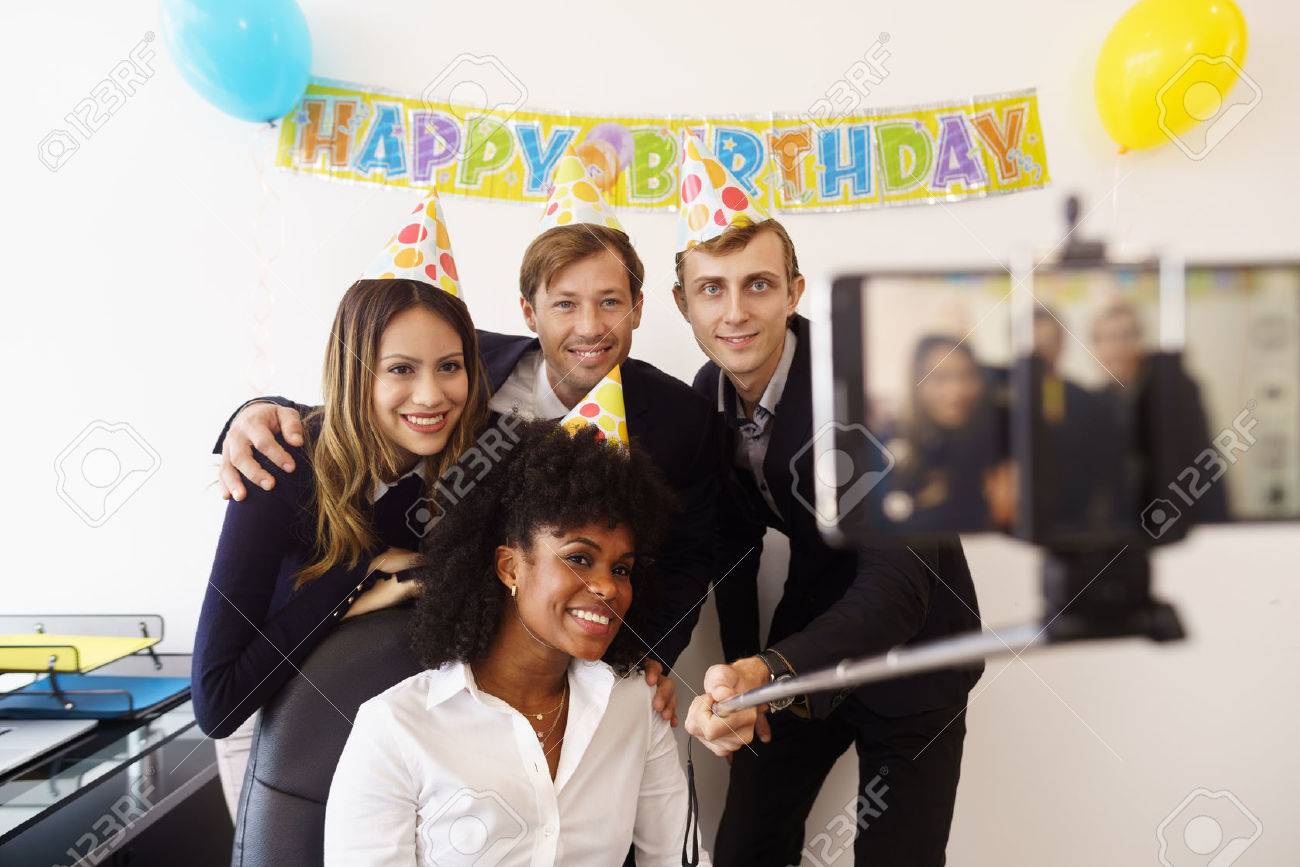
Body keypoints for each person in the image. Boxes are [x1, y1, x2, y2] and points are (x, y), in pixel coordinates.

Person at [213, 152, 718, 728]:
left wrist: (647, 655)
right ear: (529, 312)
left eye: (610, 301)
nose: (589, 327)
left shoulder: (681, 417)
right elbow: (354, 408)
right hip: (340, 682)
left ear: (637, 309)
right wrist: (253, 413)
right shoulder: (464, 371)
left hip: (530, 679)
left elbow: (692, 552)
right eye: (565, 304)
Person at [672, 134, 982, 866]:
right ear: (683, 302)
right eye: (712, 287)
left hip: (918, 647)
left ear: (795, 292)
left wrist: (769, 669)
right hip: (808, 636)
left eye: (758, 284)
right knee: (746, 845)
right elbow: (731, 548)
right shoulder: (705, 396)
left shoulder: (868, 388)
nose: (736, 311)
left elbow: (899, 585)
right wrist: (742, 675)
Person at [323, 419, 709, 866]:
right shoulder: (395, 728)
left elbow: (678, 860)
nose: (608, 588)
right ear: (510, 568)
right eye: (580, 558)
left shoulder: (636, 707)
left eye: (622, 569)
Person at [192, 273, 490, 746]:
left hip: (396, 724)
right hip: (273, 714)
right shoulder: (282, 467)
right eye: (400, 369)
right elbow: (218, 703)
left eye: (449, 366)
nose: (432, 395)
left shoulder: (485, 455)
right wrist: (357, 580)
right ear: (355, 372)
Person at [881, 335, 1009, 532]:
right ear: (917, 383)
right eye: (940, 378)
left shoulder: (993, 438)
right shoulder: (887, 446)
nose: (956, 390)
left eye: (967, 376)